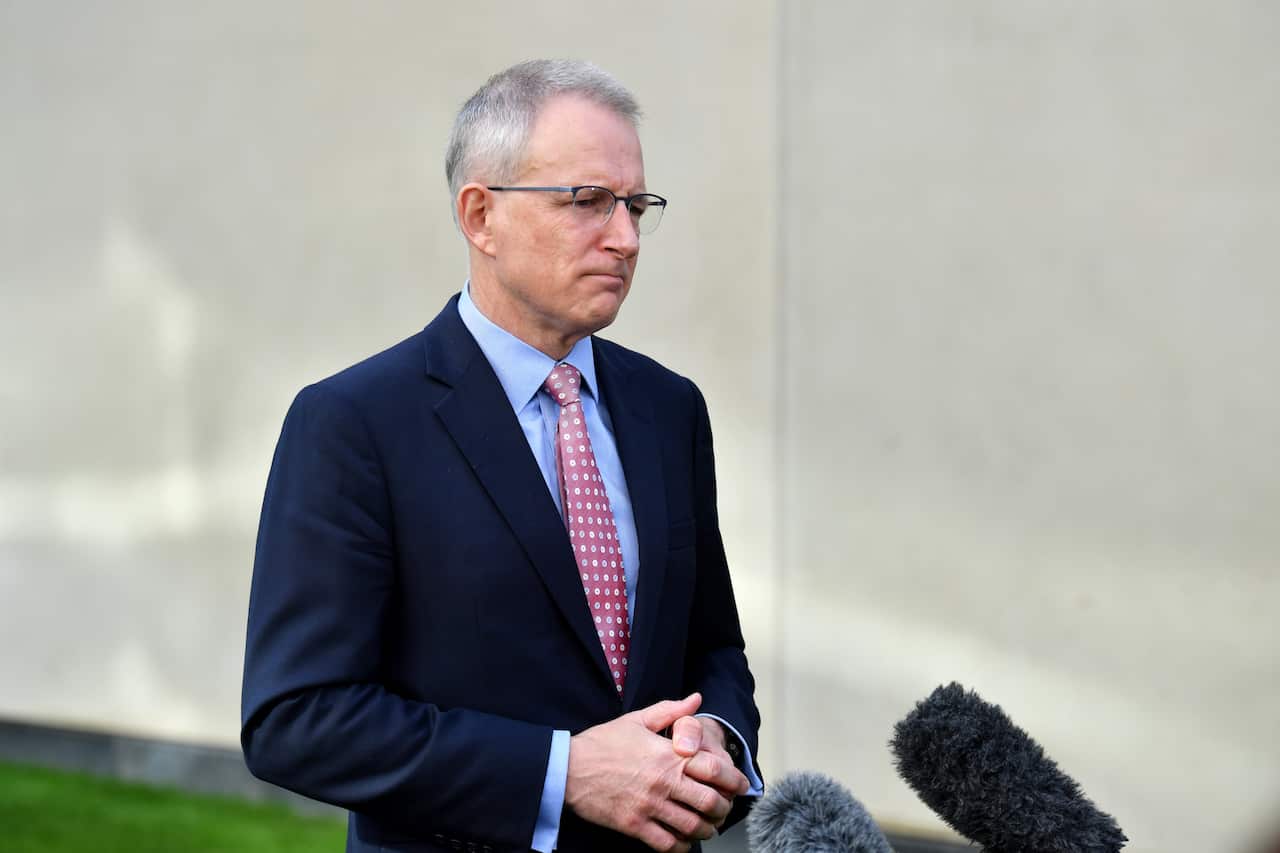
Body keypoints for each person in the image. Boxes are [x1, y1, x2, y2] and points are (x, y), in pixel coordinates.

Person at [241, 59, 762, 853]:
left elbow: (712, 644)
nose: (624, 237)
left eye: (636, 205)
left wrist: (717, 739)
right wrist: (562, 772)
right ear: (480, 215)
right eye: (588, 201)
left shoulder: (670, 408)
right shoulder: (353, 424)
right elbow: (298, 718)